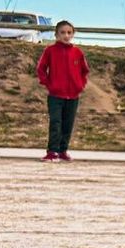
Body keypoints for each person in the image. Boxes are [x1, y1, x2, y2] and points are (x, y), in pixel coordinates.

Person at [35, 20, 89, 162]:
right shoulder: (50, 51)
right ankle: (52, 151)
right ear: (56, 34)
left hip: (73, 95)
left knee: (68, 124)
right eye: (63, 32)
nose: (66, 35)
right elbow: (41, 69)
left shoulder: (77, 52)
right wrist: (48, 83)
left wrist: (80, 85)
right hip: (55, 95)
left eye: (69, 32)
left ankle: (63, 150)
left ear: (73, 34)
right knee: (56, 122)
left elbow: (84, 71)